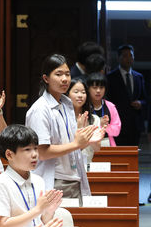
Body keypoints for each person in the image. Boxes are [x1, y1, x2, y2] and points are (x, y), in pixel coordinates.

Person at [0, 125, 74, 227]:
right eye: (27, 149)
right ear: (9, 154)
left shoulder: (38, 180)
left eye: (35, 148)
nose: (34, 154)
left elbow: (42, 220)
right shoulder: (0, 183)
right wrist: (37, 210)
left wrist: (48, 213)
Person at [25, 53, 95, 201]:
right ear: (46, 78)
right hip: (55, 179)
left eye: (67, 74)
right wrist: (76, 143)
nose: (65, 79)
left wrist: (83, 139)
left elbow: (70, 145)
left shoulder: (66, 104)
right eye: (58, 74)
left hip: (73, 176)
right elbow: (42, 152)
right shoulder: (40, 109)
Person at [106, 44, 146, 146]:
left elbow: (145, 98)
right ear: (118, 58)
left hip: (135, 124)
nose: (128, 58)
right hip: (118, 123)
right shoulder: (110, 77)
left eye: (130, 56)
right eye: (124, 56)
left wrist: (140, 103)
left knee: (134, 155)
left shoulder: (139, 77)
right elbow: (108, 100)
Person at [68, 77, 105, 164]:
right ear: (67, 94)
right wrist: (79, 129)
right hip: (67, 167)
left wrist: (91, 138)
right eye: (76, 92)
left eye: (83, 92)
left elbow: (97, 149)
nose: (80, 95)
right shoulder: (61, 117)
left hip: (87, 165)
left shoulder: (94, 119)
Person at [86, 72, 120, 146]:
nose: (98, 91)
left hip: (108, 145)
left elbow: (117, 130)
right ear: (88, 89)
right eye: (95, 87)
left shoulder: (110, 106)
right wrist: (99, 124)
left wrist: (105, 126)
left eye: (101, 87)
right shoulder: (84, 106)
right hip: (89, 147)